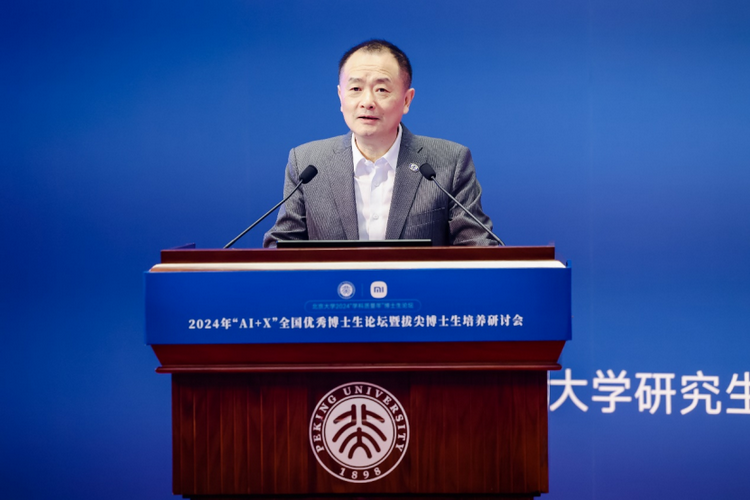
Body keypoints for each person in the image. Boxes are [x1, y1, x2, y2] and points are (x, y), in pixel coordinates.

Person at [263, 39, 497, 247]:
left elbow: (476, 244)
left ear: (406, 100)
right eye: (356, 88)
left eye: (381, 89)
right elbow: (281, 246)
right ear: (341, 97)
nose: (367, 101)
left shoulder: (449, 162)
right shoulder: (307, 163)